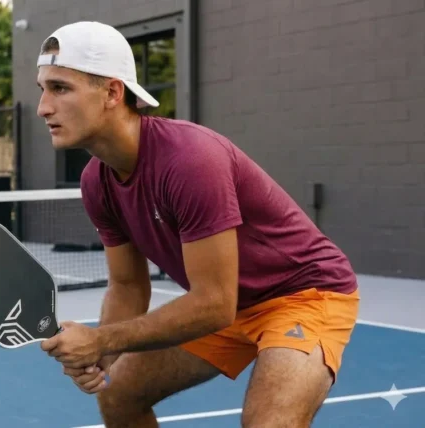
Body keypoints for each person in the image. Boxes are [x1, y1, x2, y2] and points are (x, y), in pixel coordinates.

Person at [36, 21, 360, 428]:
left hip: (303, 293)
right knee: (119, 395)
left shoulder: (190, 160)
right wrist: (102, 355)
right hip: (228, 304)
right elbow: (128, 286)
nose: (43, 107)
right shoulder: (95, 184)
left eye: (60, 88)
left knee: (268, 423)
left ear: (113, 93)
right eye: (43, 89)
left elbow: (213, 304)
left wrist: (101, 338)